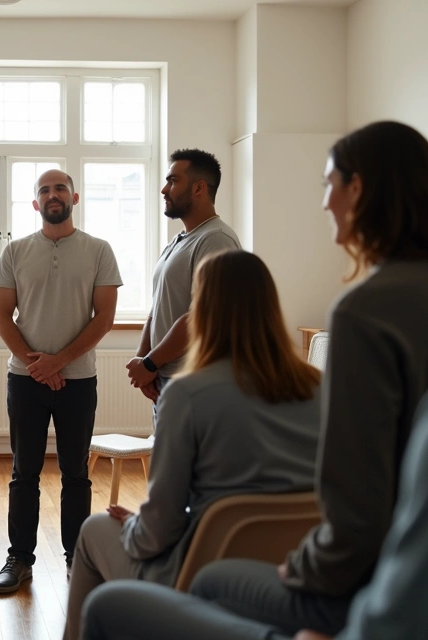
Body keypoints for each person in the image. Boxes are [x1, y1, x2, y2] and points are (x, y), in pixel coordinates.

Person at [79, 119, 428, 640]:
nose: (324, 203)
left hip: (378, 586)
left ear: (358, 188)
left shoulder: (366, 310)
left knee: (201, 581)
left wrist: (302, 570)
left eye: (328, 185)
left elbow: (355, 502)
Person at [62, 250, 322, 640]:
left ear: (202, 310)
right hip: (296, 581)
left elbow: (157, 530)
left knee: (94, 530)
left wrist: (135, 525)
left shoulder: (187, 394)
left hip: (198, 577)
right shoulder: (321, 388)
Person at [0, 169, 123, 594]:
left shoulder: (99, 250)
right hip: (25, 380)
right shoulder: (15, 251)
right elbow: (1, 316)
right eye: (44, 190)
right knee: (23, 472)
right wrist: (37, 367)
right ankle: (19, 559)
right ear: (35, 203)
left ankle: (77, 559)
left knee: (76, 474)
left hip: (79, 380)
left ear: (74, 197)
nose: (52, 195)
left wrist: (59, 362)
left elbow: (104, 318)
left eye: (60, 188)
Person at [125, 149, 241, 426]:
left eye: (173, 181)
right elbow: (156, 310)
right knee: (169, 468)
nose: (165, 189)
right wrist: (144, 360)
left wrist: (150, 364)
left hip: (198, 385)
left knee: (193, 470)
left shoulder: (216, 240)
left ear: (199, 187)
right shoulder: (178, 241)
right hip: (169, 381)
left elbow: (201, 318)